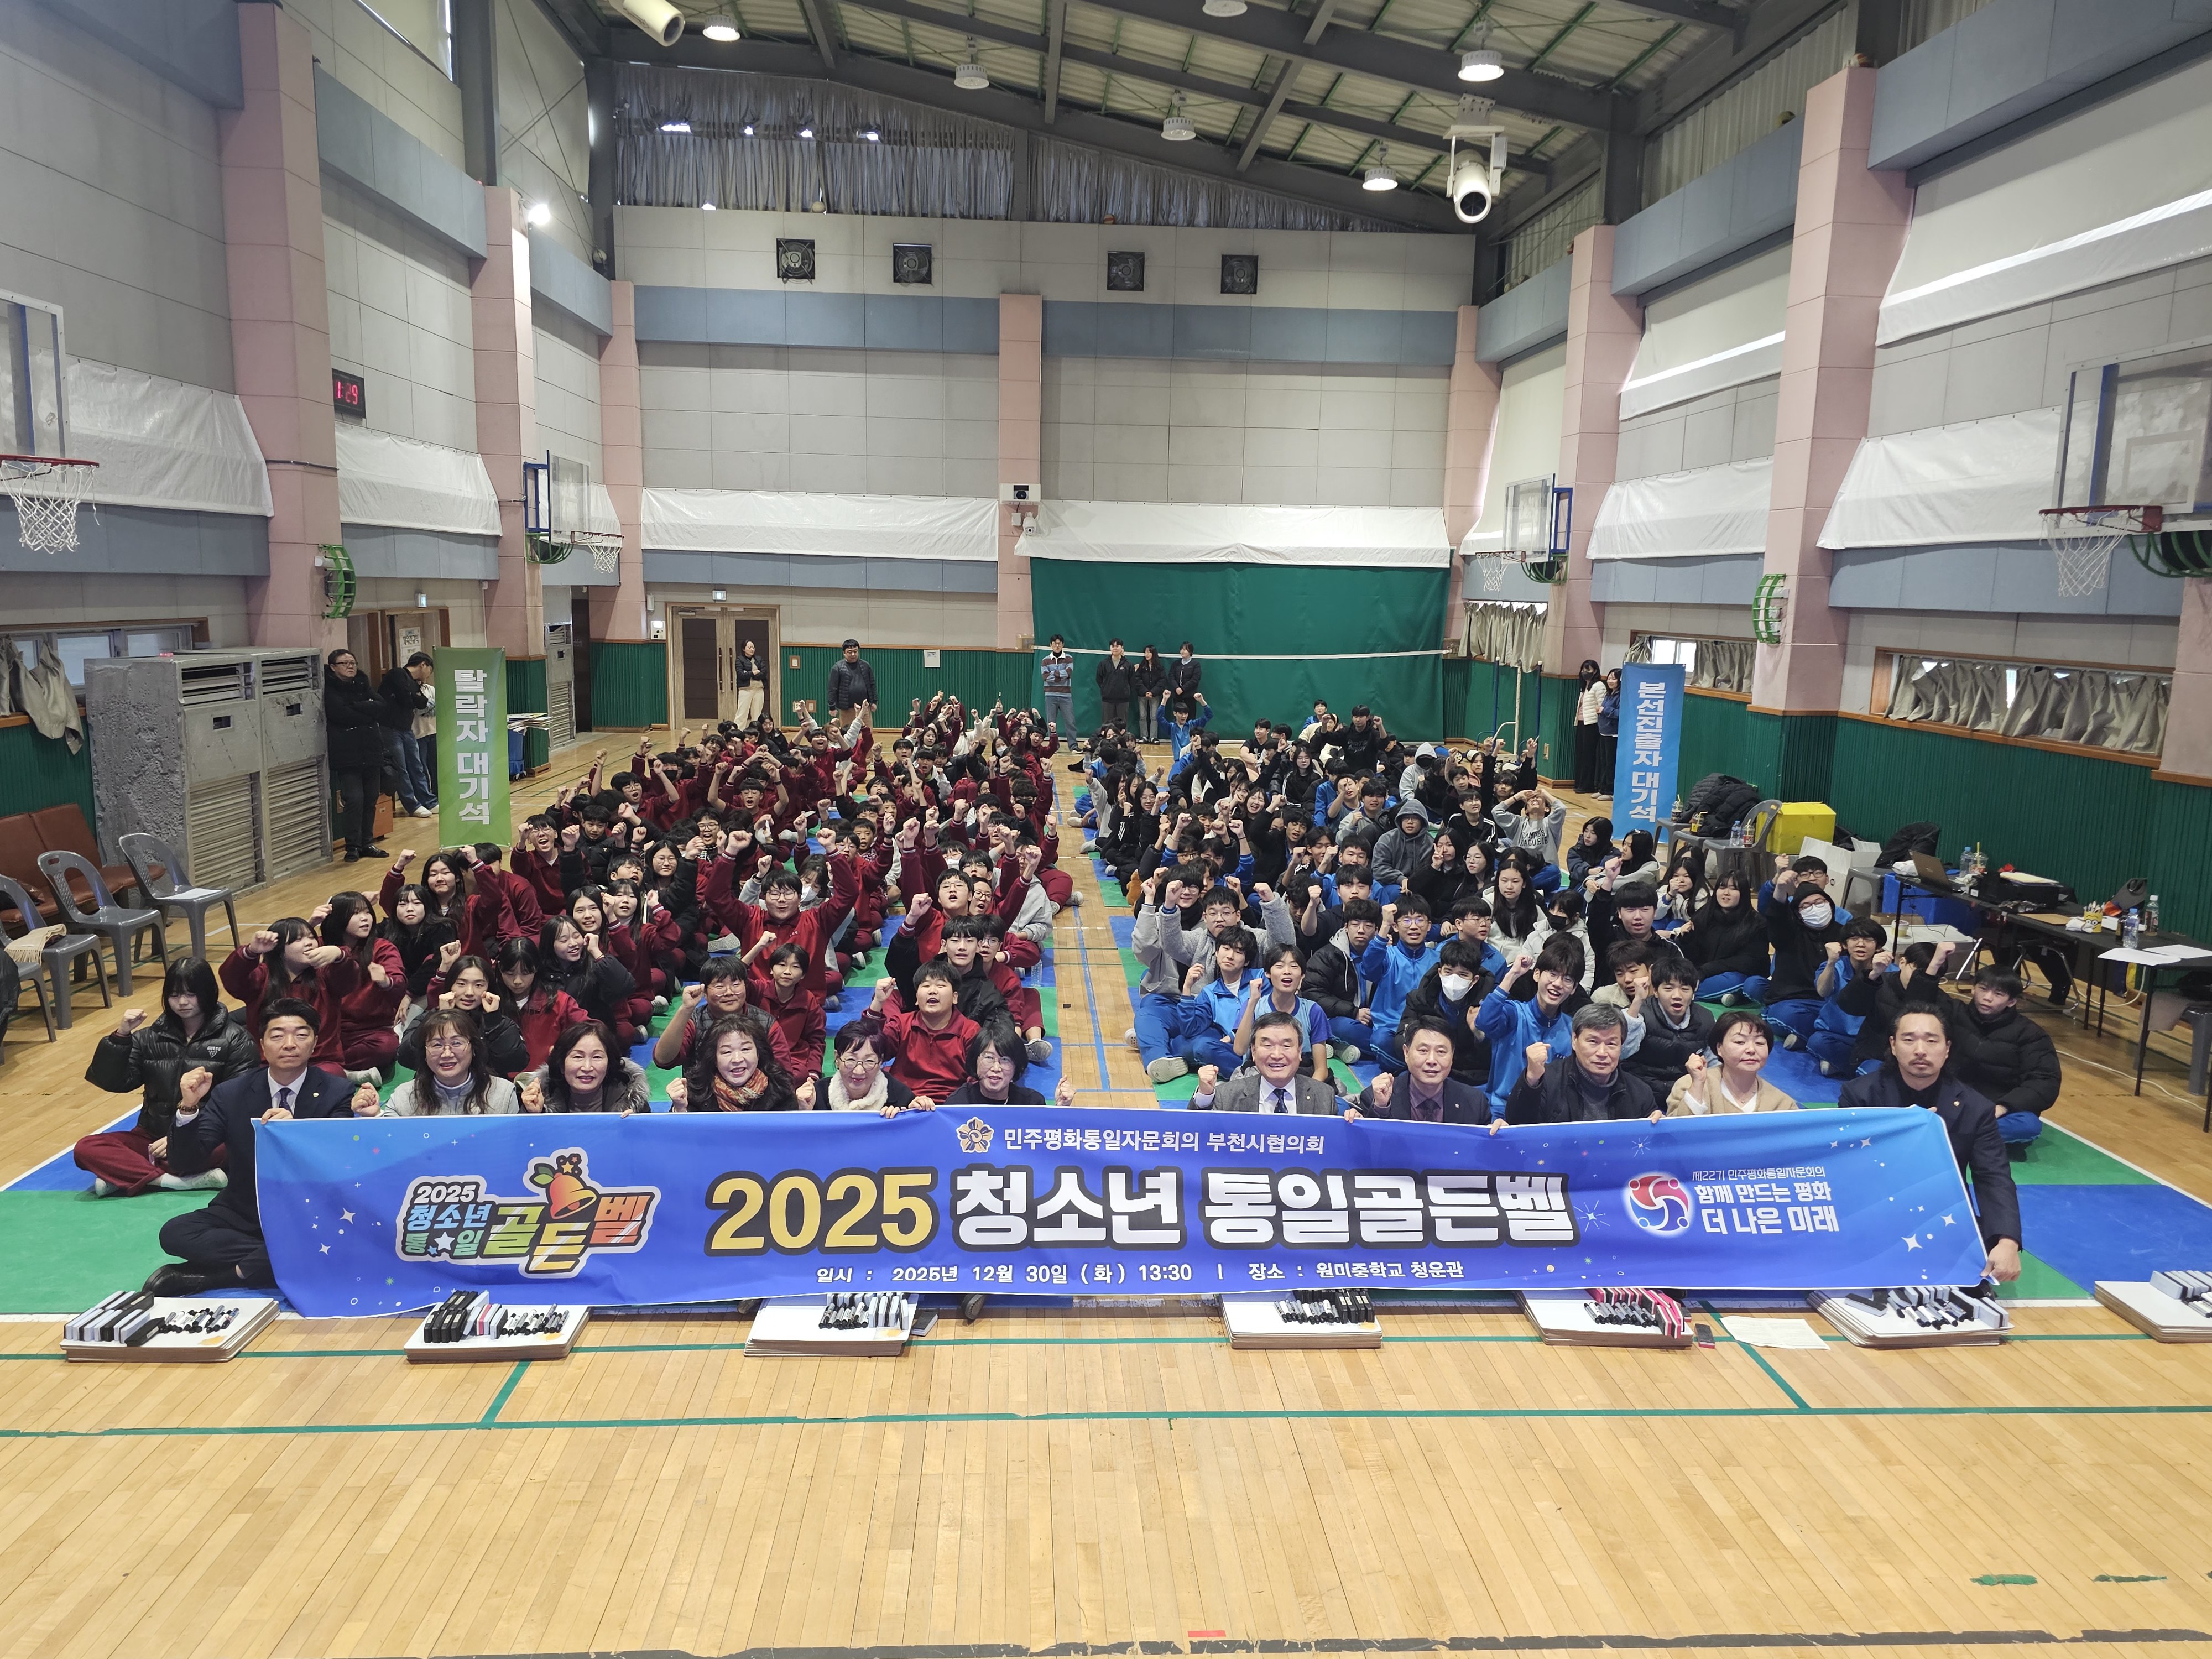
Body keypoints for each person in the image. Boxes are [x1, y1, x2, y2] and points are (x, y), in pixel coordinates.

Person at [141, 998, 380, 1295]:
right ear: (262, 1044)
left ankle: (224, 1276)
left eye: (301, 1035)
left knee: (346, 1232)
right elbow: (186, 1162)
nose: (290, 1044)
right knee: (175, 1232)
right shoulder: (231, 1093)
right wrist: (188, 1107)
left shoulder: (337, 1091)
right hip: (245, 1210)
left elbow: (336, 1162)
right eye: (277, 1036)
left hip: (309, 1212)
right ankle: (286, 1258)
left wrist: (294, 1131)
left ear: (315, 1043)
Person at [1838, 1009, 2022, 1281]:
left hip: (1942, 1214)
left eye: (1932, 1040)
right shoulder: (1860, 1096)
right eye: (1909, 1040)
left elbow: (1993, 1175)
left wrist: (2008, 1241)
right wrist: (1903, 1136)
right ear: (1893, 1045)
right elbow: (1846, 1169)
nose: (1920, 1050)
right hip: (1874, 1209)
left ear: (1947, 1049)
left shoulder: (1976, 1107)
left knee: (1984, 1256)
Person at [75, 958, 258, 1196]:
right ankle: (170, 1181)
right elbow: (113, 1081)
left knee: (233, 1149)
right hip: (151, 1137)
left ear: (208, 992)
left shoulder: (236, 1039)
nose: (182, 1002)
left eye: (191, 994)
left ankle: (126, 1175)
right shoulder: (149, 1038)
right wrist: (121, 1037)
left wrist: (178, 1140)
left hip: (203, 1138)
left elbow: (237, 1103)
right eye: (174, 995)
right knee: (86, 1148)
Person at [1945, 969, 2063, 1151]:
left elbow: (2044, 1081)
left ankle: (1948, 1133)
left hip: (1996, 1106)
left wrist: (2002, 1107)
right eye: (1983, 989)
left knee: (2027, 1125)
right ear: (1973, 989)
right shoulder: (1953, 1013)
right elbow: (1917, 1000)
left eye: (1998, 994)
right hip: (1951, 1097)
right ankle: (1968, 1135)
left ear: (2012, 1001)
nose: (1988, 998)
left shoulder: (2031, 1035)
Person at [1475, 938, 1586, 1119]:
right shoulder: (1514, 1013)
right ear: (1537, 975)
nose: (1558, 984)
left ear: (1574, 988)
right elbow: (1484, 1022)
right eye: (1552, 974)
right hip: (1502, 1110)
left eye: (1567, 979)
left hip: (1547, 1117)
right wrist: (1513, 975)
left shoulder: (1573, 1029)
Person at [1500, 1003, 1654, 1125]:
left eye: (1611, 1044)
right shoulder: (1547, 1081)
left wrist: (1658, 1125)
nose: (1602, 1052)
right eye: (1593, 1041)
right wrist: (1532, 1079)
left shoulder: (1640, 1092)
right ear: (1574, 1040)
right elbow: (1518, 1126)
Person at [403, 947, 530, 1074]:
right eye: (461, 984)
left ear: (489, 989)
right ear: (450, 985)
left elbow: (517, 1063)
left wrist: (493, 1022)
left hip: (487, 1085)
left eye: (479, 985)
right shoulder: (427, 1019)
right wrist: (439, 1017)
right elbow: (406, 1057)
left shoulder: (502, 1023)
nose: (469, 992)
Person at [1344, 1019, 1489, 1123]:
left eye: (1441, 1052)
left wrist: (1498, 1134)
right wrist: (1381, 1108)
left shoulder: (1475, 1103)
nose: (1432, 1060)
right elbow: (1370, 1148)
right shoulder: (1375, 1098)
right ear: (1406, 1053)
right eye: (1423, 1050)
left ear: (1452, 1056)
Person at [1189, 1011, 1338, 1113]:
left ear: (1299, 1052)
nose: (1277, 1055)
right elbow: (1198, 1136)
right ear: (1254, 1052)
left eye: (1286, 1046)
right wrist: (1205, 1096)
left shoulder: (1324, 1095)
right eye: (1267, 1045)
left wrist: (1350, 1126)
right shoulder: (1228, 1096)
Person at [383, 1009, 525, 1115]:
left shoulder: (503, 1093)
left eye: (456, 1043)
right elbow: (387, 1139)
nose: (447, 1054)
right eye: (437, 1045)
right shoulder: (404, 1097)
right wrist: (375, 1115)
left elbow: (516, 1141)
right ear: (425, 1053)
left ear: (473, 1049)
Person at [667, 1010, 814, 1112]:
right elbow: (682, 1140)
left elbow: (790, 1140)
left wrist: (803, 1112)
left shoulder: (780, 1089)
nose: (737, 1059)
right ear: (714, 1059)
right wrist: (679, 1109)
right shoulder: (696, 1091)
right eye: (727, 1052)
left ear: (758, 1054)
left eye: (745, 1049)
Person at [1663, 1010, 1797, 1117]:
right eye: (1740, 1042)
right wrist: (1697, 1087)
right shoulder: (1689, 1085)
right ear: (1719, 1048)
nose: (1751, 1050)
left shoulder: (1782, 1105)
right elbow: (1678, 1134)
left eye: (1760, 1043)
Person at [324, 648, 388, 862]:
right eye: (345, 663)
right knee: (354, 799)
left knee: (371, 798)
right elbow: (340, 714)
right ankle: (352, 846)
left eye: (353, 662)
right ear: (333, 667)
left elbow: (381, 706)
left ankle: (367, 842)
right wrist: (367, 711)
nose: (350, 666)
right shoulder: (330, 689)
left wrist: (357, 707)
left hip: (371, 750)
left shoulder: (362, 683)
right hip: (347, 754)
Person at [1624, 951, 1712, 1100]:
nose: (1677, 996)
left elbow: (1713, 1064)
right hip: (1641, 1095)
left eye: (1685, 989)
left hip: (1684, 1094)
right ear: (1656, 991)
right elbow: (1623, 1051)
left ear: (1693, 991)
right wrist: (1637, 1001)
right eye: (1669, 988)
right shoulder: (1639, 1014)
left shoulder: (1706, 1019)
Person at [521, 1019, 653, 1114]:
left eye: (597, 1057)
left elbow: (651, 1142)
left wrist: (634, 1128)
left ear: (609, 1064)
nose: (587, 1067)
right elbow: (522, 1141)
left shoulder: (631, 1100)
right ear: (561, 1065)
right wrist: (533, 1114)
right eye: (578, 1057)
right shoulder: (542, 1097)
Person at [1682, 870, 1770, 1004]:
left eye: (1733, 889)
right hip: (1703, 973)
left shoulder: (1756, 923)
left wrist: (1707, 970)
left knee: (1738, 981)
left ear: (1743, 894)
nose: (1726, 893)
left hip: (1735, 974)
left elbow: (1749, 962)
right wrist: (1686, 938)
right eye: (1722, 887)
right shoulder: (1704, 915)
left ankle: (1685, 994)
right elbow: (1692, 955)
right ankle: (1723, 996)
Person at [942, 1022, 1079, 1106]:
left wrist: (1061, 1109)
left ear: (1017, 1067)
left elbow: (1045, 1140)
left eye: (1005, 1060)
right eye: (989, 1058)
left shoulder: (1032, 1103)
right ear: (975, 1061)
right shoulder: (959, 1103)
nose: (996, 1068)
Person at [825, 1018, 930, 1114]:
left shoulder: (901, 1098)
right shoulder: (819, 1096)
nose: (859, 1071)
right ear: (837, 1058)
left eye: (869, 1061)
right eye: (851, 1060)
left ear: (880, 1062)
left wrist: (914, 1112)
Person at [377, 650, 437, 818]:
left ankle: (428, 801)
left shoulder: (415, 684)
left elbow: (420, 703)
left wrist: (414, 697)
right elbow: (407, 699)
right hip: (390, 728)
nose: (429, 675)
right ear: (423, 665)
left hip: (407, 729)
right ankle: (412, 804)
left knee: (417, 766)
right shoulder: (397, 674)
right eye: (430, 671)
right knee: (401, 767)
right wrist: (414, 698)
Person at [1571, 659, 1603, 794]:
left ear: (1595, 671)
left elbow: (1601, 706)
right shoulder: (1585, 685)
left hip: (1592, 724)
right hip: (1581, 722)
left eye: (1588, 670)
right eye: (1583, 670)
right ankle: (1579, 782)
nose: (1584, 672)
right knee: (1580, 754)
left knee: (1588, 755)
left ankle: (1587, 785)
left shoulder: (1599, 686)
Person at [826, 639, 876, 722]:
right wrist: (832, 707)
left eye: (856, 651)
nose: (853, 654)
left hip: (864, 708)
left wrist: (874, 702)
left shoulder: (866, 666)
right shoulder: (837, 668)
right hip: (847, 710)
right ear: (844, 653)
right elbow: (832, 689)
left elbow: (872, 684)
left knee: (867, 730)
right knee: (847, 730)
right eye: (850, 652)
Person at [1094, 639, 1136, 733]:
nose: (1115, 648)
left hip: (1123, 700)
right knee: (1107, 726)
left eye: (1117, 646)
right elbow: (1099, 679)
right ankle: (1106, 742)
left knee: (1122, 726)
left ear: (1122, 648)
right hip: (1107, 699)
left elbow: (1132, 681)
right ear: (1110, 648)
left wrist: (1126, 691)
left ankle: (1123, 742)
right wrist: (1106, 689)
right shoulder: (1104, 664)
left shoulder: (1128, 664)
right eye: (1113, 646)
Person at [1040, 634, 1076, 737]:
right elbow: (1045, 677)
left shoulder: (1069, 659)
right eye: (1055, 644)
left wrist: (1053, 674)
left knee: (1070, 721)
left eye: (1059, 644)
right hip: (1050, 695)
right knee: (1051, 722)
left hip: (1066, 696)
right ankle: (1054, 744)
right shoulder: (1045, 660)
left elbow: (1068, 673)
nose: (1057, 646)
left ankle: (1073, 744)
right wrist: (1060, 676)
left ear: (1063, 645)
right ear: (1051, 645)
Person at [1593, 667, 1620, 797]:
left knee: (1610, 763)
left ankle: (1610, 790)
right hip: (1604, 732)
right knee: (1603, 762)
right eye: (1609, 678)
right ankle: (1602, 789)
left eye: (1614, 679)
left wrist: (1605, 710)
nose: (1610, 681)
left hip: (1613, 734)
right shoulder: (1609, 694)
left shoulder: (1621, 696)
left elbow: (1620, 713)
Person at [733, 637, 769, 728]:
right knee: (742, 714)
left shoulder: (759, 659)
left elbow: (764, 673)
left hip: (759, 690)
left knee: (757, 715)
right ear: (744, 649)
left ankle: (756, 733)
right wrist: (754, 672)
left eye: (753, 647)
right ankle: (737, 733)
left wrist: (750, 675)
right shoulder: (740, 660)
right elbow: (741, 675)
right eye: (749, 648)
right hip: (745, 690)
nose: (752, 649)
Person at [1134, 645, 1167, 742]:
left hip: (1155, 695)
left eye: (1149, 652)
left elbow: (1162, 681)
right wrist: (1145, 691)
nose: (1147, 655)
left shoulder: (1159, 667)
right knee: (1142, 716)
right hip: (1142, 695)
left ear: (1153, 653)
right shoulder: (1142, 666)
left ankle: (1154, 737)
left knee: (1154, 716)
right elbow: (1138, 680)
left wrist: (1153, 692)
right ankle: (1144, 736)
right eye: (1145, 652)